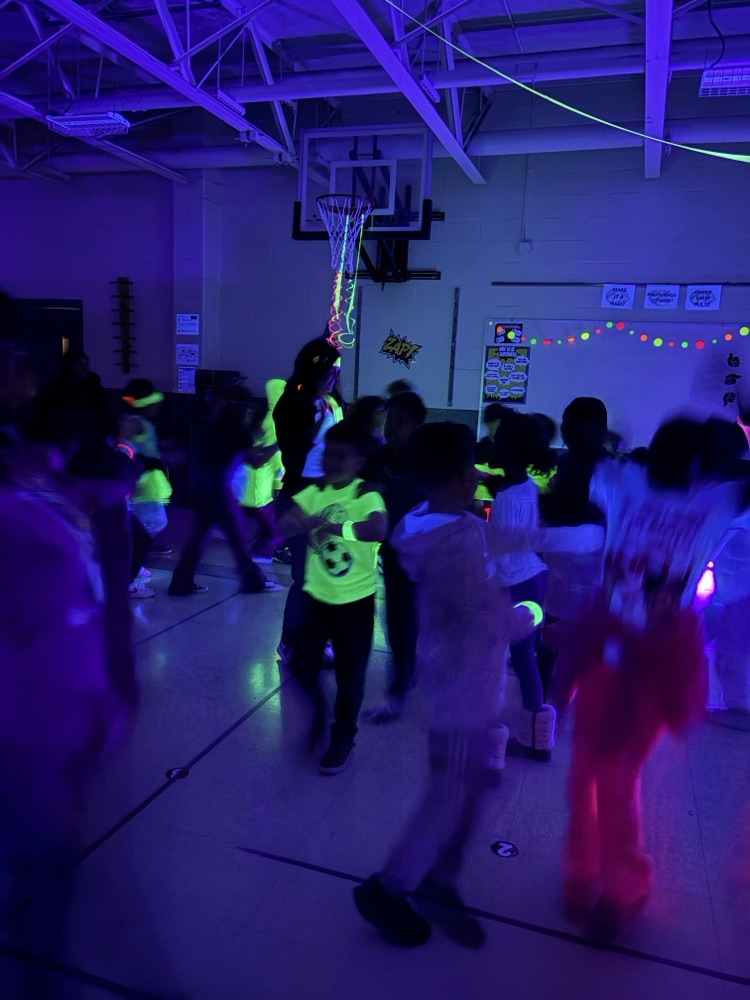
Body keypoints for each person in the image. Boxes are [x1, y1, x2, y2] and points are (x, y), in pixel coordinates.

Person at [354, 422, 603, 948]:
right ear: (462, 475)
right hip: (466, 685)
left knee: (469, 788)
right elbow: (485, 619)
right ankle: (394, 887)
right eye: (473, 468)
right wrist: (533, 615)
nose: (479, 475)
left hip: (456, 678)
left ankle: (440, 880)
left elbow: (499, 539)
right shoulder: (458, 543)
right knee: (449, 797)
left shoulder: (427, 522)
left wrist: (564, 538)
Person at [560, 418, 750, 942]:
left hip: (655, 659)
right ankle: (583, 868)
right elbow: (579, 457)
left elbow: (584, 456)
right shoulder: (631, 484)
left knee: (615, 778)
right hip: (609, 645)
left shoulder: (709, 501)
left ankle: (623, 889)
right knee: (584, 774)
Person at [277, 420, 387, 774]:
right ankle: (320, 715)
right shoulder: (315, 492)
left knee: (350, 677)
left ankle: (343, 736)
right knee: (299, 666)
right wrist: (298, 523)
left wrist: (334, 527)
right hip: (317, 600)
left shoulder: (364, 494)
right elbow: (287, 521)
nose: (331, 461)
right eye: (327, 454)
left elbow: (378, 528)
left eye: (341, 456)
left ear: (358, 461)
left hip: (355, 603)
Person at [490, 411, 557, 762]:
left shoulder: (507, 498)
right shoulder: (526, 486)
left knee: (490, 659)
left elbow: (500, 553)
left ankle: (488, 740)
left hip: (513, 587)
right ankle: (538, 740)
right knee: (524, 658)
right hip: (533, 580)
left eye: (498, 440)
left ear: (511, 451)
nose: (492, 444)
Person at [169, 386, 278, 596]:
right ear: (243, 407)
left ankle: (180, 583)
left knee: (198, 539)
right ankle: (253, 581)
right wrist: (278, 446)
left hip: (201, 488)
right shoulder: (238, 429)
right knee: (238, 538)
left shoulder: (214, 424)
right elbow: (256, 461)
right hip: (219, 492)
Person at [274, 338, 344, 659]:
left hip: (329, 497)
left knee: (330, 574)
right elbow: (296, 450)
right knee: (304, 577)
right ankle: (289, 641)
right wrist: (317, 408)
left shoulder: (332, 402)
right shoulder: (294, 404)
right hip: (301, 495)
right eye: (331, 369)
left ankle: (322, 638)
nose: (335, 376)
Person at [369, 391, 427, 723]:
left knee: (406, 618)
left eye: (397, 421)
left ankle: (401, 686)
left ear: (414, 423)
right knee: (400, 617)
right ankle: (404, 677)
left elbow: (418, 494)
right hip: (395, 549)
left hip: (421, 550)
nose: (390, 427)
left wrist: (383, 490)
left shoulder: (426, 457)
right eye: (389, 419)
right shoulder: (388, 454)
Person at [233, 378, 286, 561]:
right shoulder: (278, 419)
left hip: (259, 481)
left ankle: (259, 553)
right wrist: (278, 483)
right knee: (275, 527)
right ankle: (261, 554)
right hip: (262, 483)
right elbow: (277, 454)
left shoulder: (271, 416)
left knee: (267, 524)